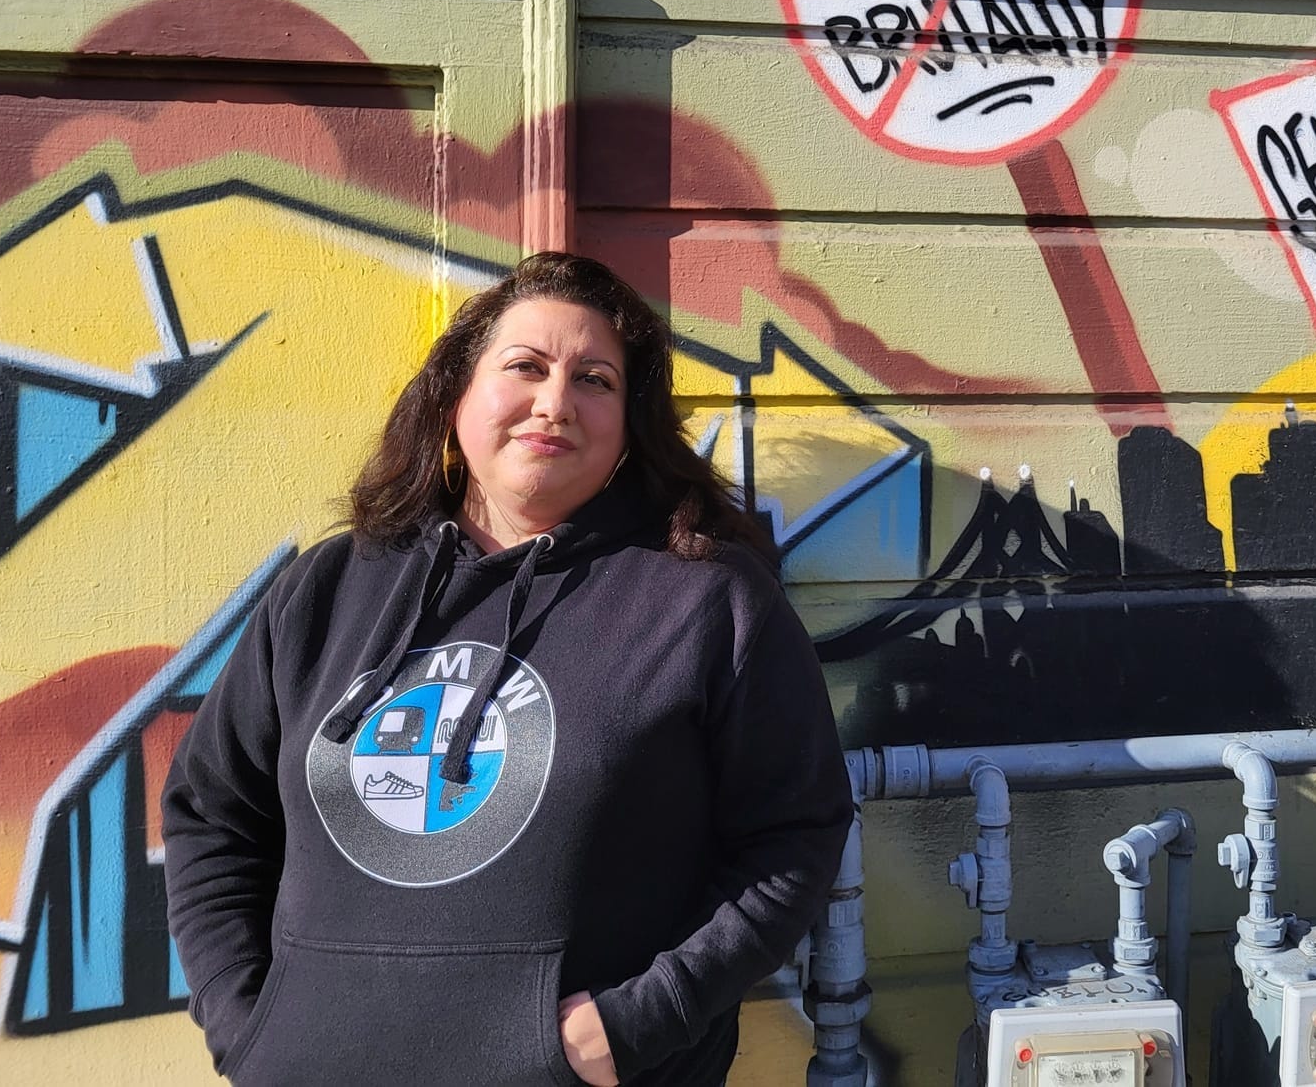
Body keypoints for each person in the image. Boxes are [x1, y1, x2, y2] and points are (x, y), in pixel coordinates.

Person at [162, 252, 853, 1086]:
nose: (554, 402)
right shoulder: (329, 588)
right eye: (525, 366)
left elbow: (795, 834)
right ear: (456, 393)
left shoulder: (706, 602)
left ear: (629, 423)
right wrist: (249, 1023)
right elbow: (211, 814)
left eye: (594, 380)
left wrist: (643, 1019)